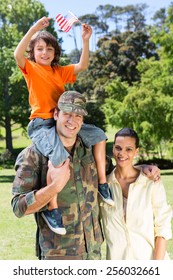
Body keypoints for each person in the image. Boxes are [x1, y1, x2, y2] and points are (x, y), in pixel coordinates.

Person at [14, 16, 113, 235]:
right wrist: (34, 28)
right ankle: (53, 209)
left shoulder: (59, 71)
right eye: (39, 48)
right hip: (42, 124)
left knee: (98, 134)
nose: (45, 52)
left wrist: (85, 40)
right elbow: (17, 54)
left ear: (55, 52)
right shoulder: (30, 68)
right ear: (33, 52)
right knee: (59, 160)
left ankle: (103, 184)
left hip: (64, 121)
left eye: (49, 49)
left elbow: (83, 65)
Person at [100, 127, 172, 260]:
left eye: (129, 149)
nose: (122, 153)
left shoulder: (151, 182)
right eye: (118, 148)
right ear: (113, 149)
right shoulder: (104, 187)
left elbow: (163, 228)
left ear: (136, 152)